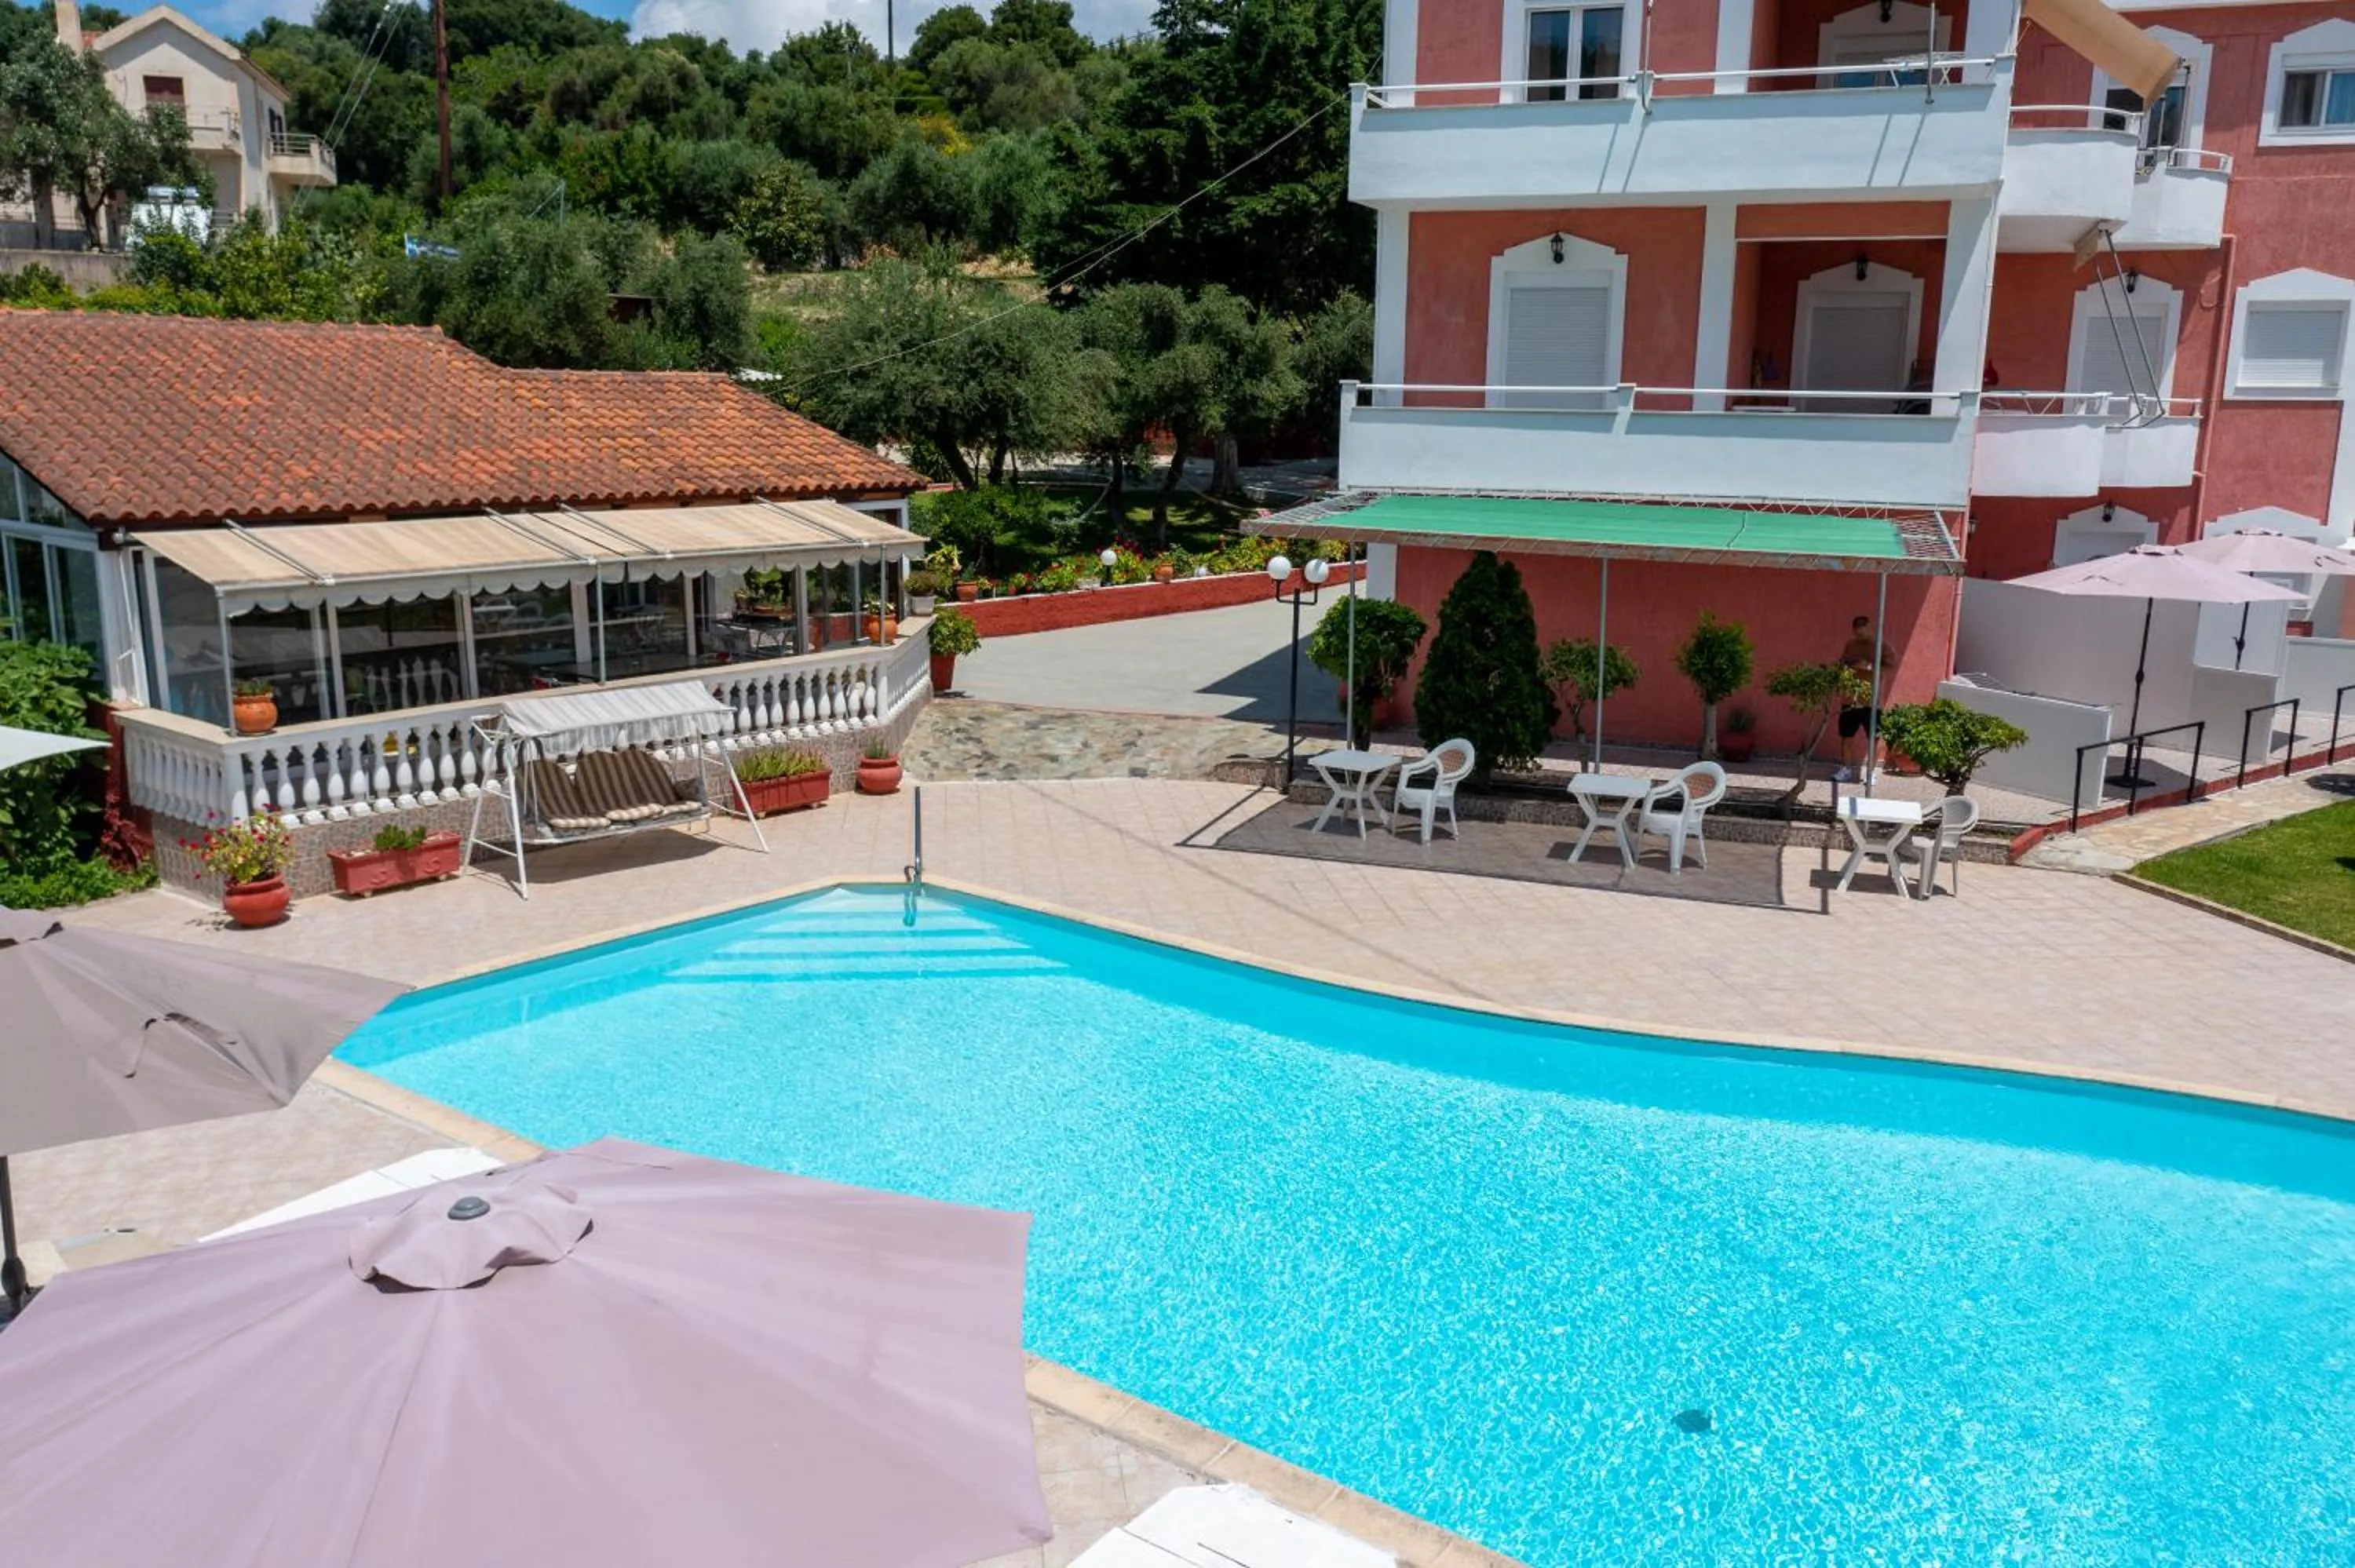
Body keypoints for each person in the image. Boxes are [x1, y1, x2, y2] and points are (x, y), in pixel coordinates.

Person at [1833, 614, 1889, 782]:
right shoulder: (1850, 646)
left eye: (1862, 633)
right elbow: (1841, 664)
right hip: (1850, 700)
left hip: (1871, 702)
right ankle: (1846, 769)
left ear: (1869, 630)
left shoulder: (1880, 647)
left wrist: (1869, 666)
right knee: (1846, 736)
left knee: (1874, 738)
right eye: (1857, 633)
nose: (1859, 636)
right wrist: (1849, 665)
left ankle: (1871, 773)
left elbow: (1888, 667)